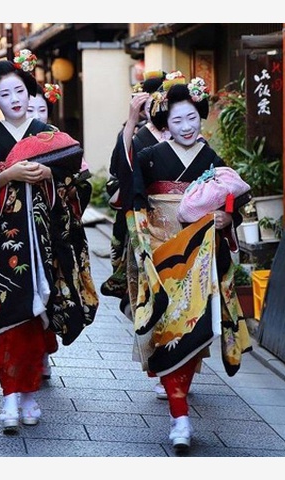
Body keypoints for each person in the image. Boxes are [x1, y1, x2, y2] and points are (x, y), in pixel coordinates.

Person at [0, 51, 98, 434]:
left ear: (30, 91)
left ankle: (29, 394)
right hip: (3, 247)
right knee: (6, 317)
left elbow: (74, 182)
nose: (15, 99)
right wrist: (6, 177)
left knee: (39, 315)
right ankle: (9, 397)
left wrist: (49, 175)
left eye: (20, 90)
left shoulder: (47, 136)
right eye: (5, 94)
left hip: (43, 243)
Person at [129, 72, 252, 452]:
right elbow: (134, 203)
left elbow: (236, 204)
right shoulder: (149, 158)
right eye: (176, 120)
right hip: (163, 258)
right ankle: (180, 418)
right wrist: (143, 245)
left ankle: (180, 403)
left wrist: (228, 218)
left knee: (194, 335)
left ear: (201, 116)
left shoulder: (212, 159)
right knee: (168, 334)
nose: (185, 126)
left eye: (192, 118)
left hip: (201, 264)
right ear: (165, 122)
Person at [100, 71, 169, 399]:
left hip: (179, 228)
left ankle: (177, 367)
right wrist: (129, 126)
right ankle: (161, 366)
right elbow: (117, 179)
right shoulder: (135, 137)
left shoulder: (185, 137)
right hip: (142, 228)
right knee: (151, 297)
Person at [26, 81, 63, 379]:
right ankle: (32, 354)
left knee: (48, 289)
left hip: (51, 229)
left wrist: (58, 176)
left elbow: (81, 179)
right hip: (18, 232)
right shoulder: (8, 141)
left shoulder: (60, 141)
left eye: (42, 109)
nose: (37, 115)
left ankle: (43, 352)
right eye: (30, 109)